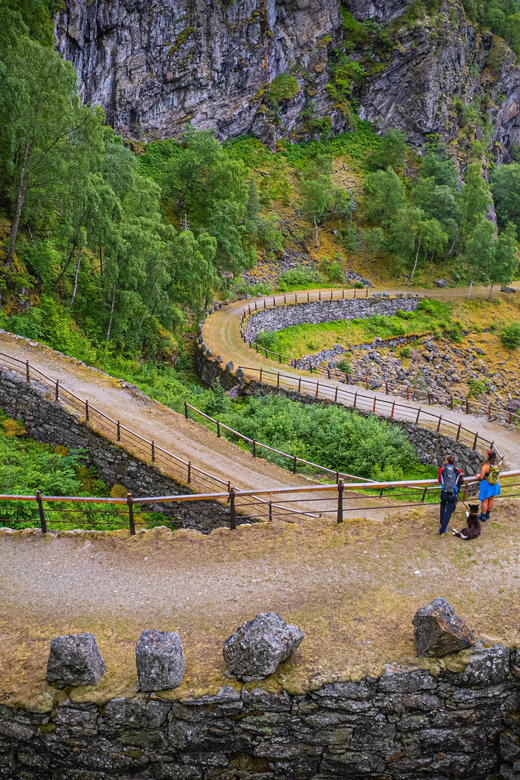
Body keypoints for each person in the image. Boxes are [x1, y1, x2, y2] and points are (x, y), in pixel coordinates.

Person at [437, 455, 463, 537]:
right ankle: (443, 529)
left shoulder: (442, 470)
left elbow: (439, 480)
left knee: (443, 506)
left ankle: (442, 524)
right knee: (448, 512)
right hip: (453, 492)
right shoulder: (458, 470)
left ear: (447, 461)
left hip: (444, 492)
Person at [477, 448, 501, 522]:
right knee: (491, 499)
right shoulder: (497, 463)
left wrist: (477, 476)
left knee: (485, 501)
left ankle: (483, 516)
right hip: (495, 484)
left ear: (489, 456)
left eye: (486, 454)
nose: (485, 454)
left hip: (487, 484)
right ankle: (488, 514)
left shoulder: (486, 465)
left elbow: (481, 477)